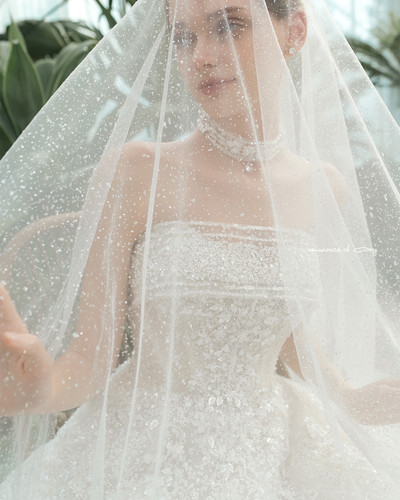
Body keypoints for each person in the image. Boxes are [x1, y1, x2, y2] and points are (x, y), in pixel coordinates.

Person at [1, 0, 400, 497]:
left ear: (294, 32)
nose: (201, 57)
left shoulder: (323, 187)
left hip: (276, 443)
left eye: (228, 26)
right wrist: (39, 389)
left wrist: (347, 395)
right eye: (183, 37)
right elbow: (90, 358)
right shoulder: (137, 172)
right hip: (147, 447)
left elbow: (281, 323)